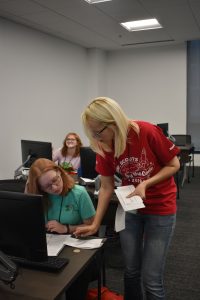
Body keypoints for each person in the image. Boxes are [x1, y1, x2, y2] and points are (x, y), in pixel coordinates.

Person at [74, 97, 180, 300]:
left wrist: (146, 183)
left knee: (151, 279)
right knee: (131, 271)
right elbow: (106, 187)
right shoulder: (103, 145)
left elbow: (174, 165)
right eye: (92, 133)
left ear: (113, 121)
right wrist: (95, 224)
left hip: (160, 209)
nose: (96, 137)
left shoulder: (146, 131)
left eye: (99, 131)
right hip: (130, 208)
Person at [25, 158, 96, 300]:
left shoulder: (79, 193)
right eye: (47, 187)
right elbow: (28, 223)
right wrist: (28, 192)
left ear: (59, 171)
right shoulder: (40, 197)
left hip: (76, 248)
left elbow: (92, 227)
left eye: (55, 180)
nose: (55, 188)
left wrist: (66, 228)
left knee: (73, 282)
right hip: (49, 247)